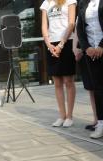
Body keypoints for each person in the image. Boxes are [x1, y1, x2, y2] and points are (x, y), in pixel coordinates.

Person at [76, 0, 103, 140]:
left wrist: (101, 45)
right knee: (98, 89)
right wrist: (86, 48)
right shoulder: (82, 3)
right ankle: (102, 122)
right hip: (90, 52)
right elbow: (79, 27)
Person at [41, 0, 77, 128]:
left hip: (67, 42)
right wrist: (49, 44)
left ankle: (69, 116)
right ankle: (62, 115)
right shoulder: (46, 3)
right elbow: (44, 26)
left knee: (68, 81)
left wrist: (61, 44)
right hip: (51, 44)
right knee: (57, 82)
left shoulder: (70, 1)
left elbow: (71, 23)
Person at [72, 24, 97, 130]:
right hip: (84, 50)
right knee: (91, 88)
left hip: (98, 48)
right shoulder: (81, 10)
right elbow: (77, 31)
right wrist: (74, 48)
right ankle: (97, 119)